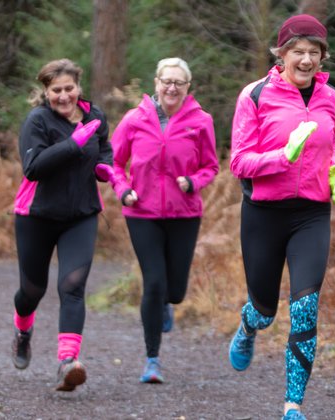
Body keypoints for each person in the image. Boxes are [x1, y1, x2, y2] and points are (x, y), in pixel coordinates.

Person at [227, 14, 335, 420]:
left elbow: (333, 146)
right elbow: (239, 162)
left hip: (312, 214)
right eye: (299, 52)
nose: (307, 60)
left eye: (315, 53)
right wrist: (283, 157)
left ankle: (293, 405)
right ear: (282, 55)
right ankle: (248, 327)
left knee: (305, 306)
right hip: (264, 214)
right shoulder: (255, 95)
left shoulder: (330, 97)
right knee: (264, 309)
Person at [107, 57, 219, 384]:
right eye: (166, 81)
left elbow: (211, 166)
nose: (172, 88)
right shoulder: (134, 119)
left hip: (184, 213)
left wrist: (193, 182)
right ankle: (152, 360)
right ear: (156, 82)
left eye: (178, 83)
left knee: (177, 291)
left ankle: (168, 304)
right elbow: (112, 162)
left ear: (188, 87)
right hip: (141, 212)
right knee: (154, 284)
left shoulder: (201, 121)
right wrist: (122, 188)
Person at [10, 58, 113, 392]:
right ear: (46, 91)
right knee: (32, 291)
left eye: (69, 88)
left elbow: (105, 150)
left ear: (78, 87)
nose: (64, 96)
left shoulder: (96, 117)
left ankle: (67, 363)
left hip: (80, 215)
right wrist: (74, 143)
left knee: (72, 286)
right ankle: (23, 332)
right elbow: (33, 167)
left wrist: (106, 168)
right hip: (36, 216)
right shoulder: (37, 121)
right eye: (56, 90)